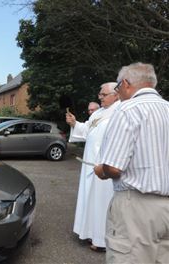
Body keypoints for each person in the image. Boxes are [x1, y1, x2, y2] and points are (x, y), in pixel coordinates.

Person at [94, 63, 169, 263]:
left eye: (117, 88)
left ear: (126, 83)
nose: (118, 93)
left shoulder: (127, 110)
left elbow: (114, 167)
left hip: (136, 207)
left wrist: (101, 169)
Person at [66, 82, 120, 251]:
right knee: (90, 200)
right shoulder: (100, 112)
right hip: (90, 165)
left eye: (103, 95)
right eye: (100, 95)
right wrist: (75, 124)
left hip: (106, 166)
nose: (100, 97)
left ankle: (102, 241)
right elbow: (87, 129)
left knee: (102, 203)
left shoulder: (121, 112)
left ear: (116, 94)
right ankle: (89, 232)